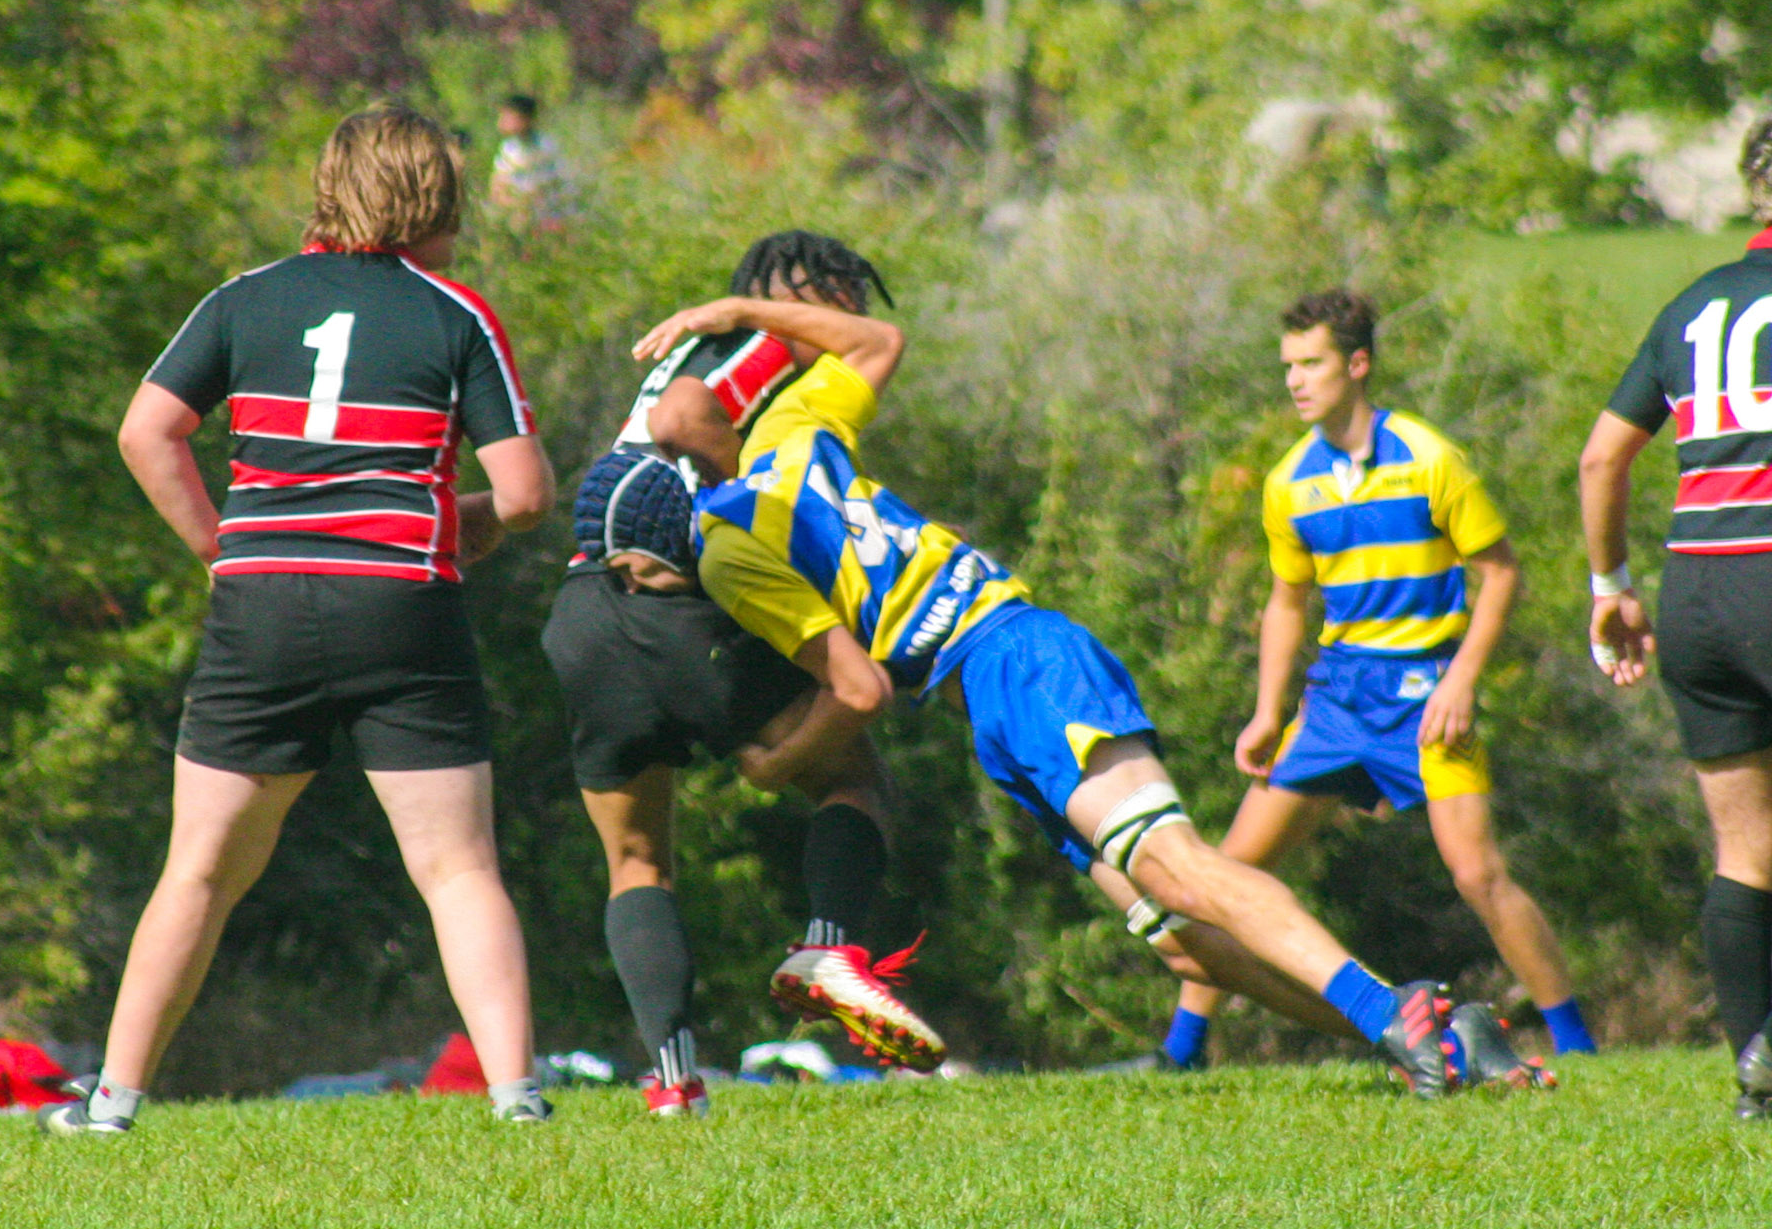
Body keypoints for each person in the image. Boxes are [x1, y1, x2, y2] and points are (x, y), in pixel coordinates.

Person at [636, 293, 1529, 1100]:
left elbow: (879, 341)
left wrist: (737, 308)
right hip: (987, 690)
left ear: (724, 398)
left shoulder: (784, 433)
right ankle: (1424, 1026)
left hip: (1016, 656)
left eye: (678, 381)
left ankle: (1392, 1018)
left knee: (1179, 865)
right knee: (1182, 935)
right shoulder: (739, 511)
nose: (661, 402)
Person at [41, 104, 557, 1134]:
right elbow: (529, 491)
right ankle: (515, 1098)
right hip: (400, 604)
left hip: (261, 597)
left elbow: (147, 431)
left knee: (197, 866)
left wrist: (217, 544)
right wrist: (458, 526)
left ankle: (111, 1103)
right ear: (434, 203)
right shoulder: (455, 313)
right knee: (457, 868)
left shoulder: (245, 298)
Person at [543, 232, 938, 1119]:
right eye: (847, 299)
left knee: (636, 856)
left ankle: (675, 1083)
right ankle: (828, 950)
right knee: (852, 772)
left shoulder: (704, 349)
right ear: (810, 292)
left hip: (584, 611)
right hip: (678, 602)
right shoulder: (759, 340)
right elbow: (686, 420)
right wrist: (742, 502)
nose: (856, 323)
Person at [1158, 291, 1588, 1078]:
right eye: (1287, 365)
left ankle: (1578, 1043)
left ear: (1357, 364)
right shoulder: (1290, 481)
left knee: (1477, 874)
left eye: (1311, 362)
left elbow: (1499, 574)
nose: (1294, 380)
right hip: (1335, 702)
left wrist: (1461, 679)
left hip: (1426, 696)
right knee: (1225, 876)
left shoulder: (1429, 457)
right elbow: (1288, 601)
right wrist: (1266, 711)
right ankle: (1180, 1054)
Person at [1580, 94, 1772, 1119]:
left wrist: (1608, 588)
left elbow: (1600, 455)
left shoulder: (1690, 300)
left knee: (1743, 848)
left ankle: (1757, 1084)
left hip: (1692, 590)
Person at [487, 94, 576, 230]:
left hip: (544, 214)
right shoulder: (508, 148)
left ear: (525, 119)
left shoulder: (545, 146)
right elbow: (499, 181)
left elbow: (556, 184)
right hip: (517, 213)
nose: (501, 122)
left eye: (508, 117)